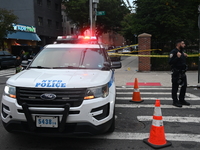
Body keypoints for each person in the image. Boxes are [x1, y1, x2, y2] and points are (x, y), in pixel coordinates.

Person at [169, 39, 190, 107]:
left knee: (184, 86)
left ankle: (182, 100)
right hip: (176, 72)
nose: (184, 45)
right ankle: (175, 101)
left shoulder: (182, 52)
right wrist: (177, 57)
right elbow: (170, 62)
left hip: (182, 72)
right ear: (178, 44)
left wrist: (184, 56)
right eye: (182, 43)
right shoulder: (174, 52)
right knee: (175, 87)